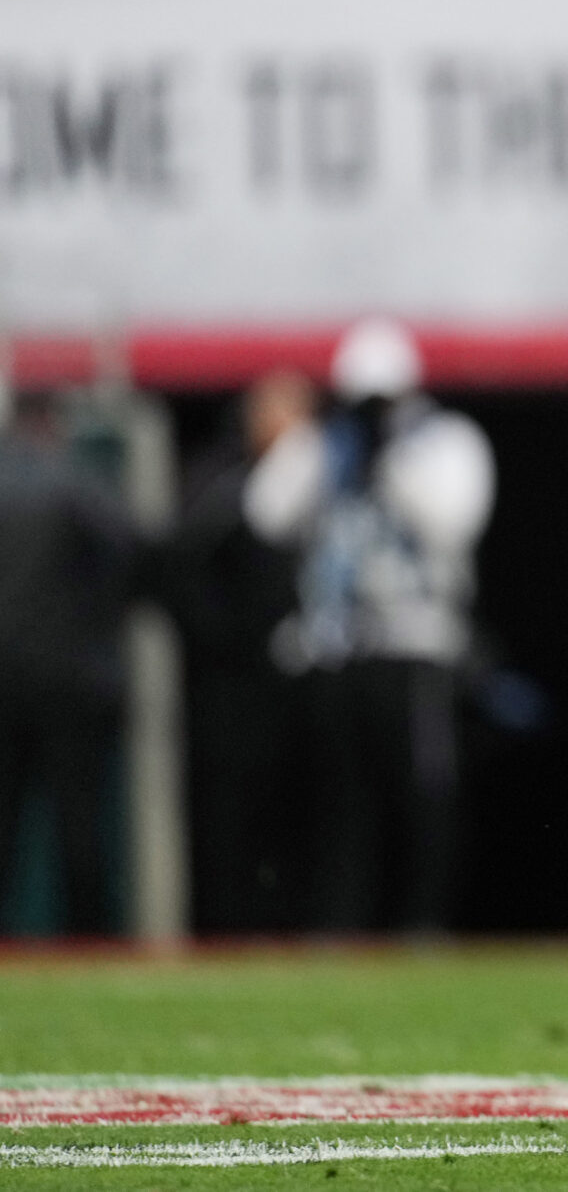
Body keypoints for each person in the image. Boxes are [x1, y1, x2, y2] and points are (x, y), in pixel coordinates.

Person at [246, 318, 495, 933]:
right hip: (339, 649)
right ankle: (339, 927)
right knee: (338, 805)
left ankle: (424, 925)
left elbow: (454, 522)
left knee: (421, 796)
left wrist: (392, 458)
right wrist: (318, 441)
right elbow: (266, 512)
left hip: (417, 645)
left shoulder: (443, 442)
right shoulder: (330, 443)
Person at [163, 370, 319, 933]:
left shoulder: (316, 481)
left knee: (298, 815)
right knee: (229, 815)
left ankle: (292, 926)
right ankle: (226, 929)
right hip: (232, 687)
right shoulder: (220, 483)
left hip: (300, 685)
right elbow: (180, 572)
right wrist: (228, 642)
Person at [0, 387, 143, 934]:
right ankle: (93, 945)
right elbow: (135, 550)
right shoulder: (74, 484)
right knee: (79, 829)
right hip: (71, 685)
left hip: (11, 687)